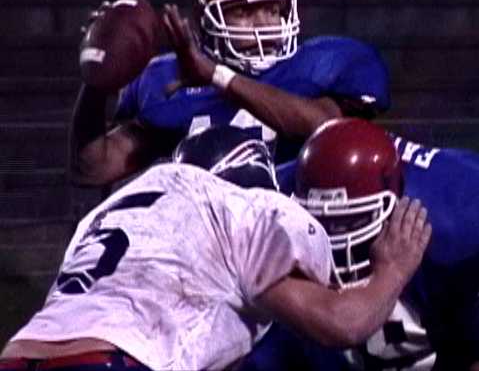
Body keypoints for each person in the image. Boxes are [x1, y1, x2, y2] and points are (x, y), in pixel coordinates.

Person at [1, 126, 430, 371]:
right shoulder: (241, 209)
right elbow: (343, 324)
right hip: (111, 360)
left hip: (19, 354)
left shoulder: (110, 211)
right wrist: (393, 269)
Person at [69, 0, 390, 187]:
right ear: (206, 21)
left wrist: (217, 77)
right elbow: (93, 168)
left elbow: (326, 126)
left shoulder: (323, 62)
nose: (265, 24)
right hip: (206, 239)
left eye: (272, 10)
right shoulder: (167, 79)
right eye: (244, 12)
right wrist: (96, 77)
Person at [270, 118, 479, 371]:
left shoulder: (461, 217)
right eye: (322, 221)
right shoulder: (269, 198)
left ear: (394, 202)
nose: (334, 239)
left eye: (350, 221)